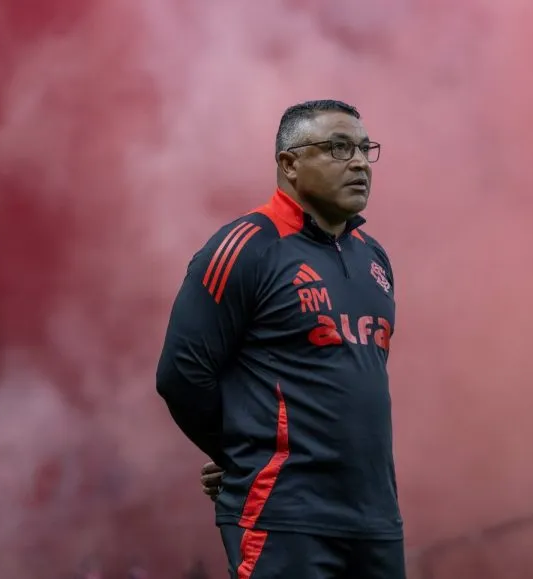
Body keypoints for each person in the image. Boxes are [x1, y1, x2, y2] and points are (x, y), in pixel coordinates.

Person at [156, 99, 403, 579]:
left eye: (363, 149)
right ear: (289, 163)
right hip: (285, 517)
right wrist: (238, 454)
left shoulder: (375, 259)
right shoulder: (246, 247)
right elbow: (180, 377)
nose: (358, 162)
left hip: (375, 519)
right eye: (338, 147)